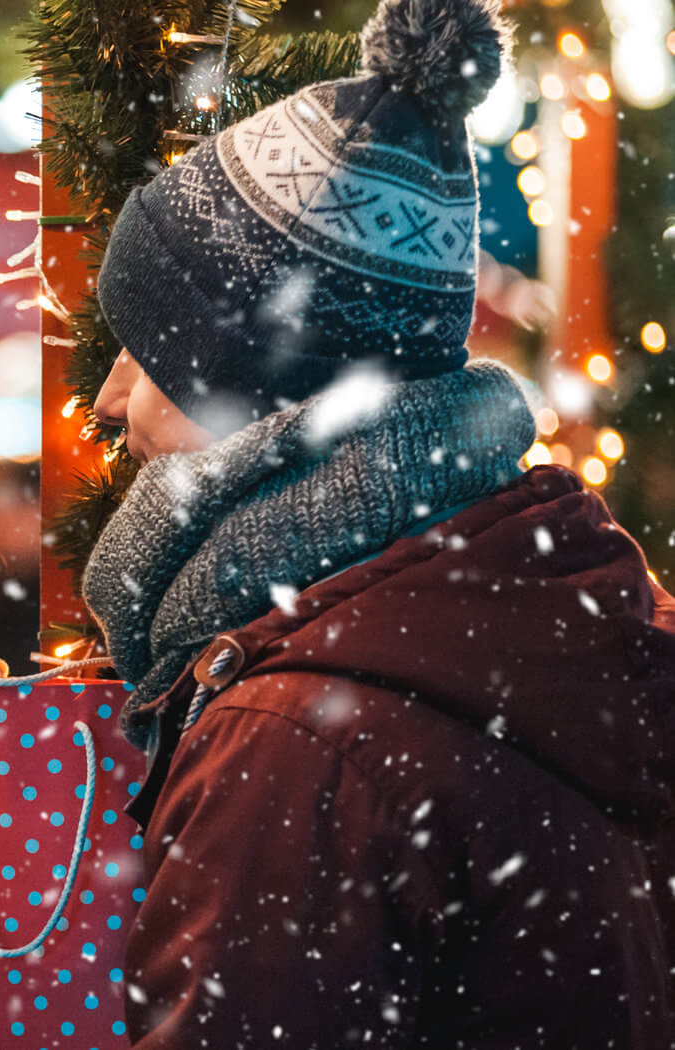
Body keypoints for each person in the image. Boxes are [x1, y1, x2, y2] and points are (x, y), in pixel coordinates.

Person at [79, 0, 675, 1044]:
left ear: (269, 410)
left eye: (151, 359)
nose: (107, 401)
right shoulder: (547, 616)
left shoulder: (298, 743)